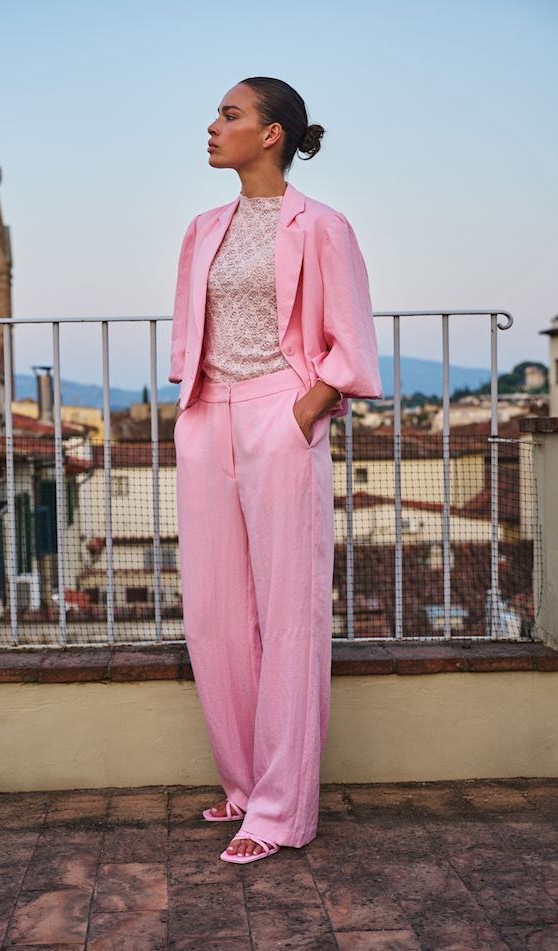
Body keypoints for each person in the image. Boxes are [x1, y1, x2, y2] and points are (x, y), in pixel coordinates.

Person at [169, 77, 382, 864]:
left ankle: (282, 809)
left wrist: (303, 411)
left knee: (289, 613)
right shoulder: (202, 229)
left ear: (271, 134)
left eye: (230, 114)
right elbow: (192, 332)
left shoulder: (322, 226)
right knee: (214, 611)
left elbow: (350, 340)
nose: (213, 125)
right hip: (206, 417)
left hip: (278, 414)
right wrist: (194, 409)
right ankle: (243, 782)